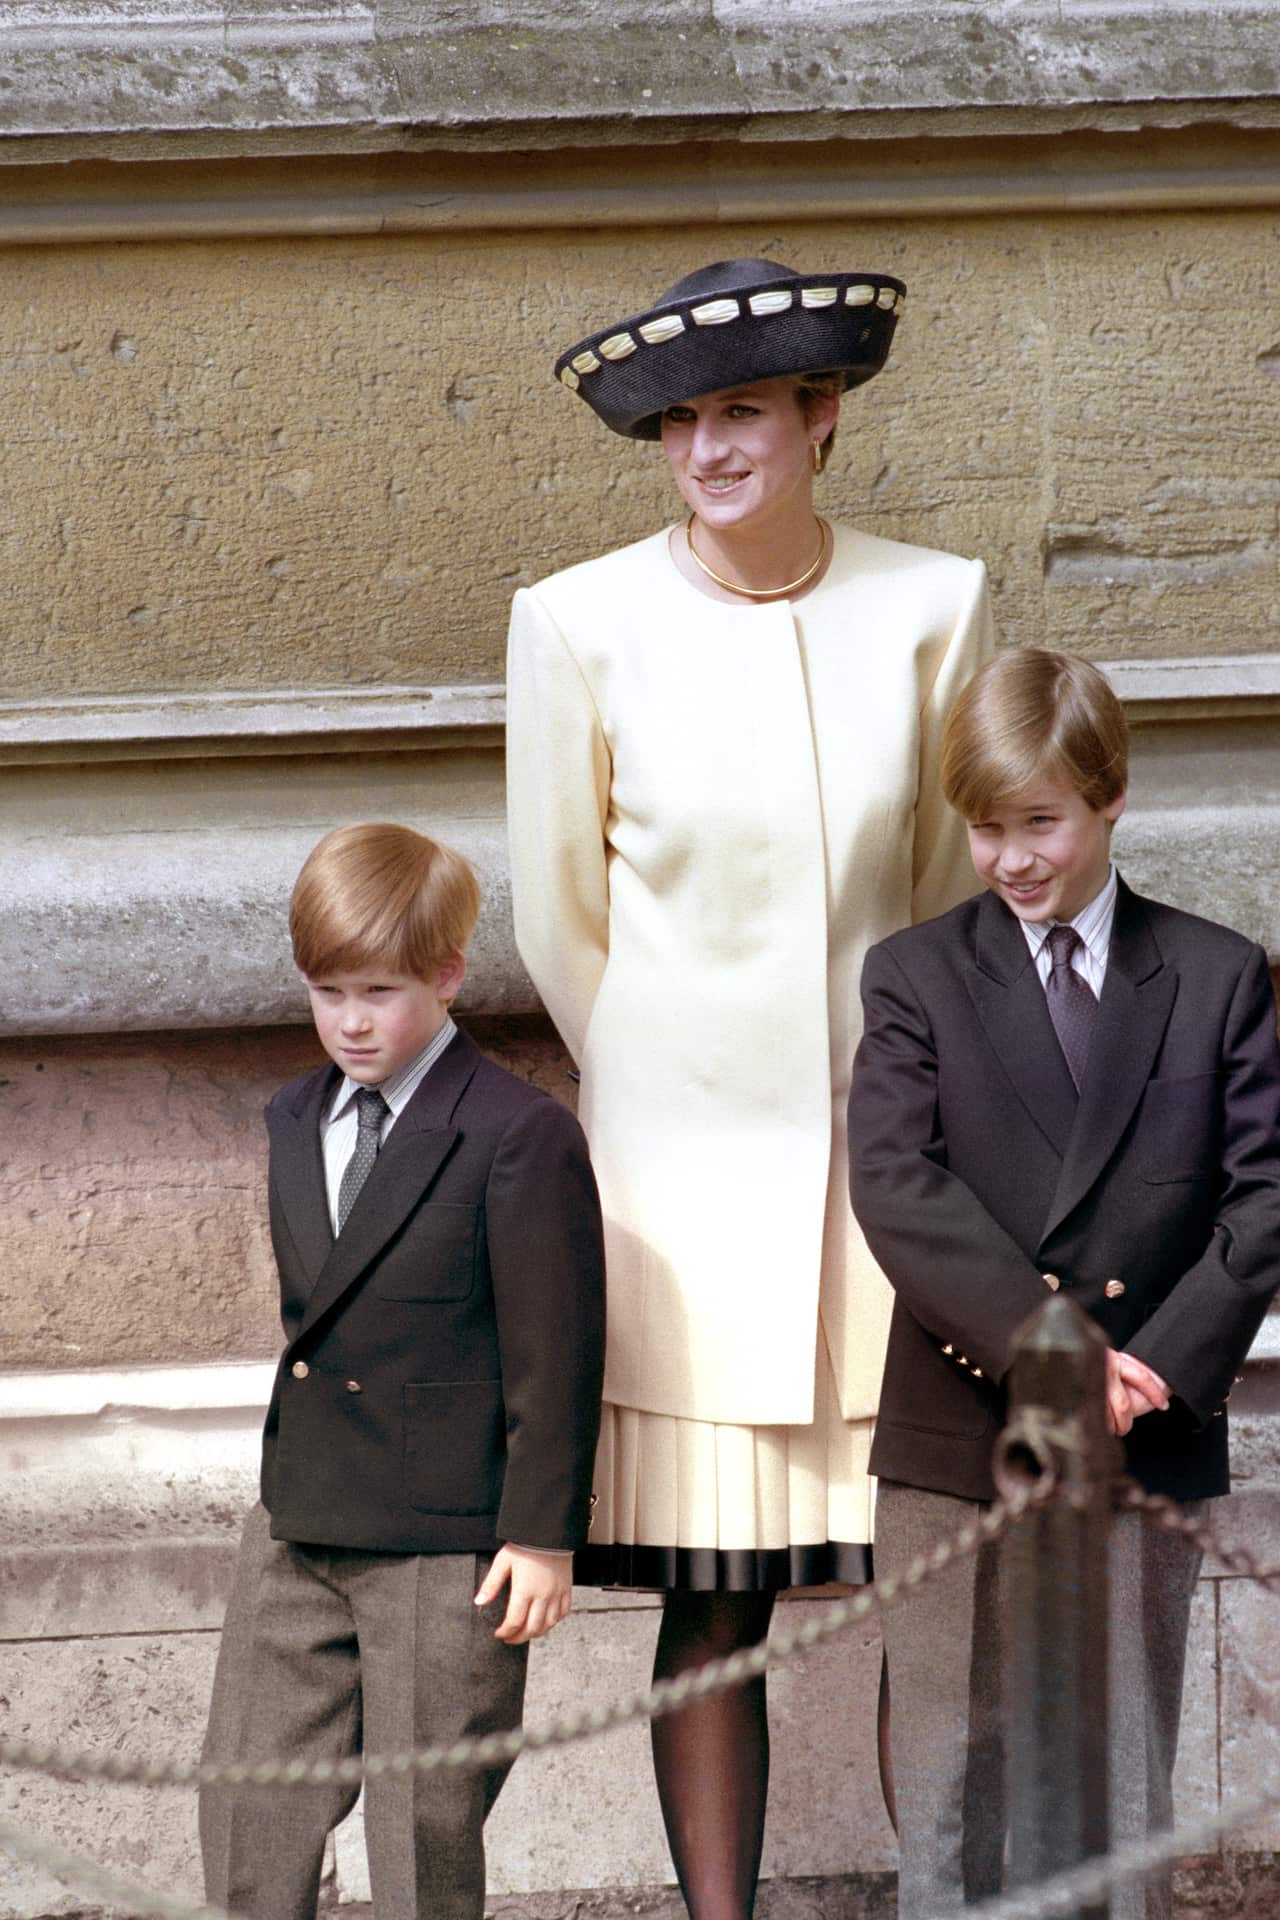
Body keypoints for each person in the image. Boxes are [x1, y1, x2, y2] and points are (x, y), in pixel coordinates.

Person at [505, 256, 996, 1919]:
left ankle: (946, 1892)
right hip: (682, 1205)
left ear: (819, 417)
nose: (710, 449)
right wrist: (668, 1087)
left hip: (890, 1185)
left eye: (744, 413)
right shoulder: (578, 621)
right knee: (715, 1607)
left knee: (920, 1595)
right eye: (684, 422)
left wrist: (902, 1102)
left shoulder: (935, 604)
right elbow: (560, 917)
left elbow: (942, 895)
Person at [847, 648, 1280, 1919]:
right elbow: (895, 1185)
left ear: (1108, 798)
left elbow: (1262, 1197)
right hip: (958, 1433)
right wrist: (1055, 1353)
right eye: (984, 828)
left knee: (1115, 1774)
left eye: (1038, 821)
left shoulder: (1211, 975)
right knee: (953, 1772)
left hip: (1144, 1423)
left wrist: (1150, 1370)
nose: (1011, 857)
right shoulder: (914, 975)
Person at [198, 822, 606, 1920]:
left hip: (445, 1540)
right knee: (244, 1801)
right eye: (327, 992)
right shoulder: (295, 1117)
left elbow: (555, 1350)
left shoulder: (515, 1133)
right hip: (303, 1517)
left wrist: (540, 1533)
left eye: (377, 990)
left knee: (421, 1830)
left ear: (447, 972)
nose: (351, 1021)